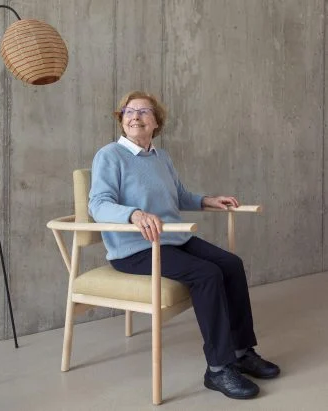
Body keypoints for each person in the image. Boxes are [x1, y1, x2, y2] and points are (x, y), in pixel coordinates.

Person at [88, 90, 280, 399]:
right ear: (121, 120)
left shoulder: (161, 157)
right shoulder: (109, 155)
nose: (135, 116)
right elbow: (98, 204)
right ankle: (218, 369)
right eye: (129, 111)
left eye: (144, 111)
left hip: (172, 239)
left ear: (157, 122)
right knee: (207, 274)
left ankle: (241, 352)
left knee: (231, 264)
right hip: (136, 249)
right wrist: (134, 214)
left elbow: (177, 196)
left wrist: (206, 200)